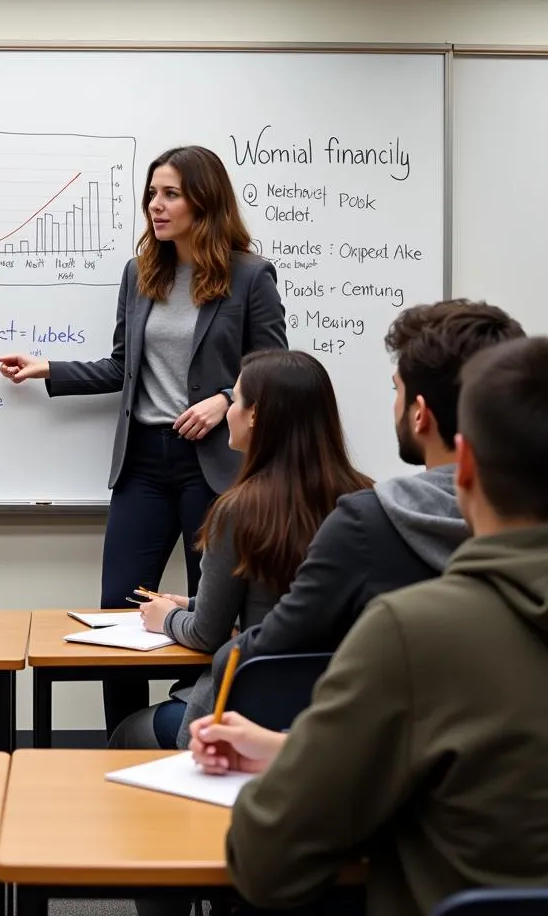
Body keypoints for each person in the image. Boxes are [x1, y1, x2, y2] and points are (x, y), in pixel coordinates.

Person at [190, 335, 548, 916]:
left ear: (465, 468)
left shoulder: (409, 634)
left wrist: (304, 761)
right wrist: (291, 751)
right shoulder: (363, 502)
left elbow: (265, 861)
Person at [0, 145, 287, 734]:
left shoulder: (250, 275)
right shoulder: (141, 273)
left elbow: (275, 368)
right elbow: (122, 366)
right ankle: (124, 738)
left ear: (204, 199)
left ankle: (201, 731)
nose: (156, 205)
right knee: (118, 609)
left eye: (170, 193)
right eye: (152, 193)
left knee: (213, 611)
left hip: (216, 466)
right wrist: (48, 369)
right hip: (144, 464)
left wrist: (226, 400)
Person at [201, 299, 526, 743]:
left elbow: (260, 651)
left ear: (420, 413)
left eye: (397, 390)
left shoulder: (369, 523)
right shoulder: (519, 528)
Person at [111, 349, 371, 750]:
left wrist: (166, 617)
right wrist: (196, 601)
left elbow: (206, 633)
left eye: (235, 398)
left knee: (128, 733)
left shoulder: (238, 510)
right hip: (343, 715)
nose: (228, 410)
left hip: (251, 714)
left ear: (255, 415)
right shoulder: (364, 499)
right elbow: (287, 597)